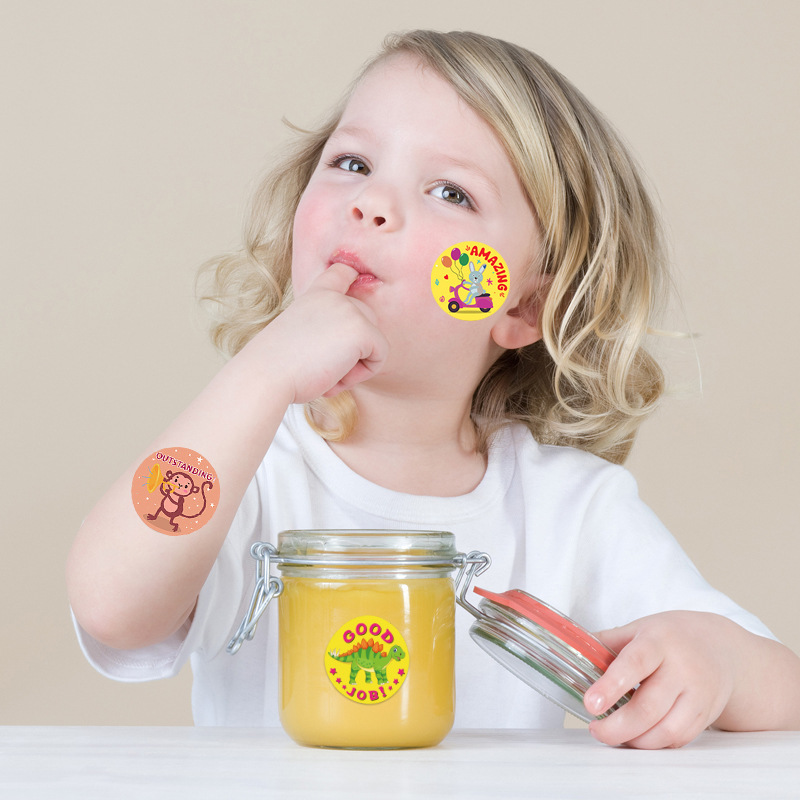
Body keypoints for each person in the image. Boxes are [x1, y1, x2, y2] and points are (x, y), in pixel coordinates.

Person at [66, 29, 800, 749]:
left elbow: (786, 691)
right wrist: (260, 373)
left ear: (526, 306)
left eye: (451, 192)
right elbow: (111, 606)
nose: (371, 202)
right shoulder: (243, 466)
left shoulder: (570, 512)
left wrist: (721, 660)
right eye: (352, 162)